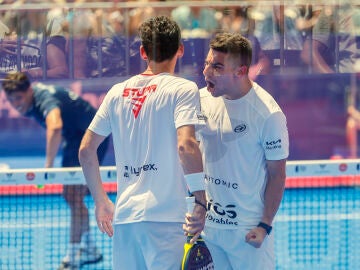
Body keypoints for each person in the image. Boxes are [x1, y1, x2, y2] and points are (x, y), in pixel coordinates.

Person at [78, 15, 207, 270]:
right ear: (180, 49)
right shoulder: (183, 89)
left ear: (142, 51)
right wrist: (201, 200)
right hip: (167, 219)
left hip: (125, 220)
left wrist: (101, 201)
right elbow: (186, 146)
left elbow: (85, 150)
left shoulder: (117, 92)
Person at [196, 32, 289, 269]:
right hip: (208, 227)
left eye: (217, 66)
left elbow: (277, 174)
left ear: (240, 71)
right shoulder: (200, 100)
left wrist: (265, 224)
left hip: (248, 231)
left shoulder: (268, 114)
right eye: (207, 63)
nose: (206, 72)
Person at [1, 71, 109, 270]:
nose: (15, 104)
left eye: (18, 98)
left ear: (29, 91)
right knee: (71, 197)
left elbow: (55, 126)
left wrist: (48, 167)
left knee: (74, 196)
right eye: (10, 99)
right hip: (74, 139)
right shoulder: (33, 99)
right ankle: (89, 248)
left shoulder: (44, 98)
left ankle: (73, 257)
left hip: (91, 140)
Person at [0, 7, 68, 79]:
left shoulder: (47, 33)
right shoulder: (3, 27)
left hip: (32, 85)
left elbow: (61, 72)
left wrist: (34, 73)